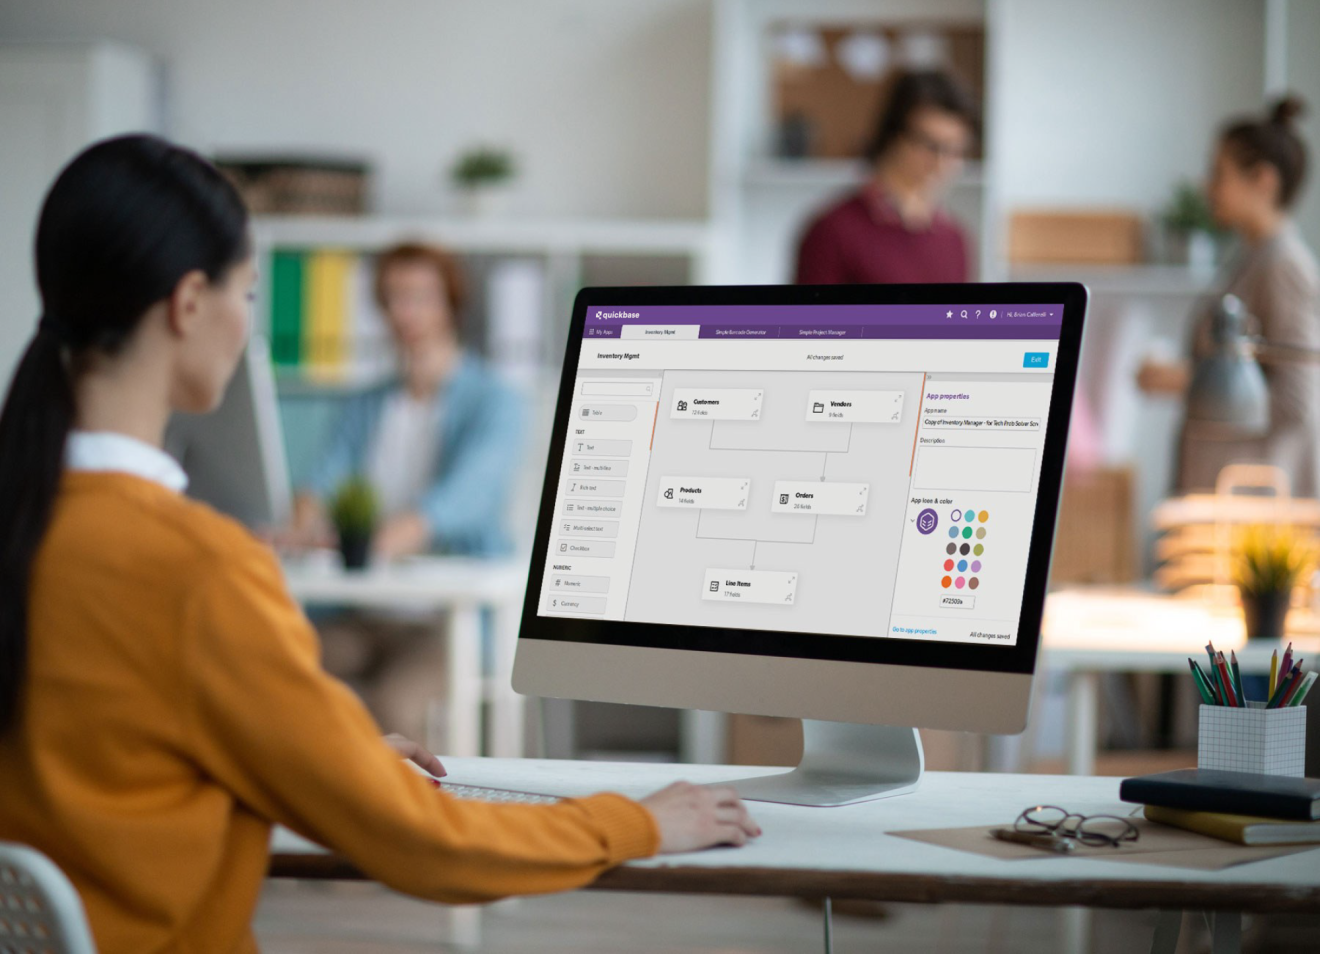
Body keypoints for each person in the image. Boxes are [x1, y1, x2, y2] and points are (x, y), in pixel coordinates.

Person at [0, 135, 758, 954]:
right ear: (189, 305)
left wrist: (336, 754)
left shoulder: (30, 522)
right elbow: (429, 844)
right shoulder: (203, 573)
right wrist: (635, 821)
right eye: (249, 292)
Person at [287, 242, 521, 559]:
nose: (405, 313)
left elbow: (466, 496)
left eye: (420, 297)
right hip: (369, 586)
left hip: (454, 581)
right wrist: (303, 518)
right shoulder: (364, 404)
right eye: (393, 298)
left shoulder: (495, 401)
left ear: (450, 303)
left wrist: (380, 543)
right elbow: (329, 472)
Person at [1138, 96, 1320, 497]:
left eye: (1218, 174)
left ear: (1263, 181)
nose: (1208, 187)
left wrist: (1187, 381)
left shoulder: (1283, 266)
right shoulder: (1252, 258)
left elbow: (1296, 400)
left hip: (1252, 501)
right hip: (1226, 494)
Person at [794, 69, 978, 285]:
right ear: (894, 136)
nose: (941, 162)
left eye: (955, 150)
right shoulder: (834, 232)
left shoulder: (953, 239)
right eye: (930, 145)